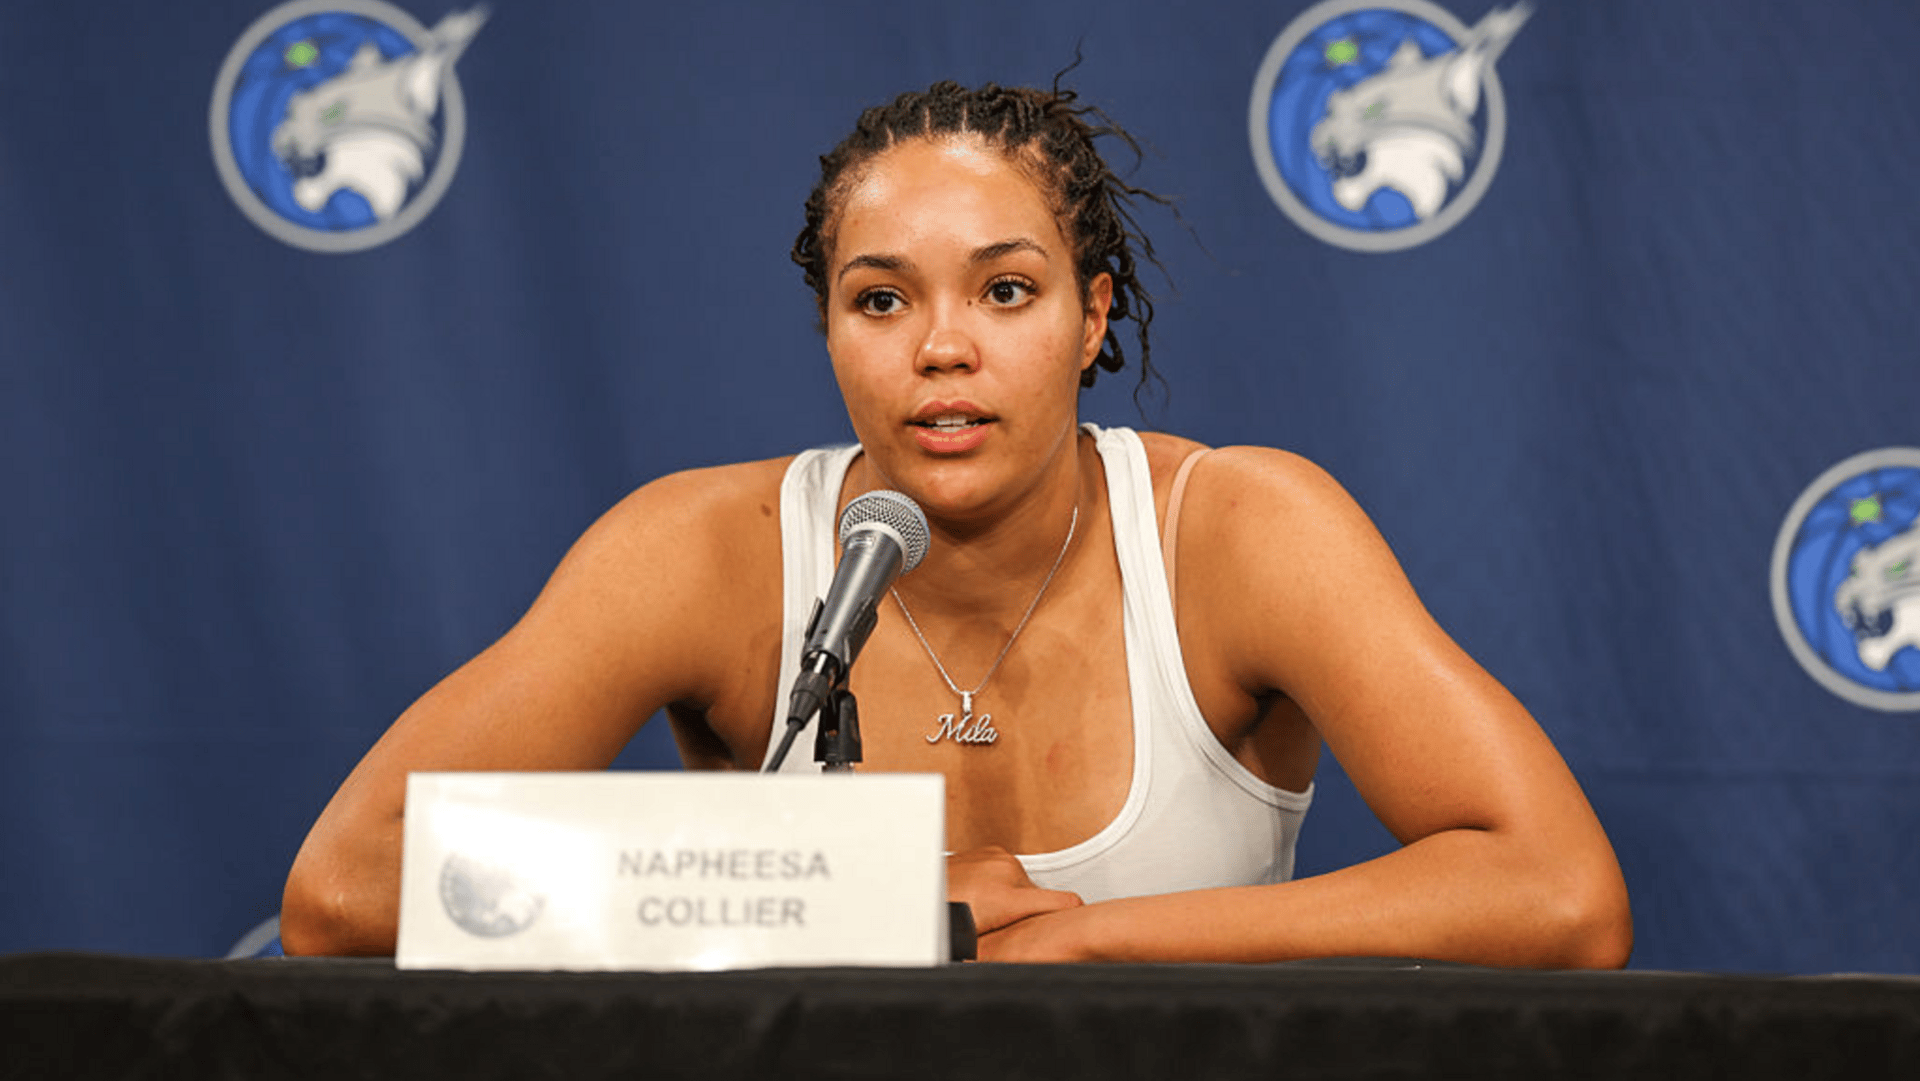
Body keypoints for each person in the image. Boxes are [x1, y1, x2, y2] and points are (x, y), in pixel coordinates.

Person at [281, 81, 1632, 966]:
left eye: (1005, 291)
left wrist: (1085, 941)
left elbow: (1561, 896)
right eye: (881, 300)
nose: (941, 348)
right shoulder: (701, 553)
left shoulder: (1238, 530)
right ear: (828, 330)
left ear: (1092, 317)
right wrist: (884, 911)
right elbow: (345, 891)